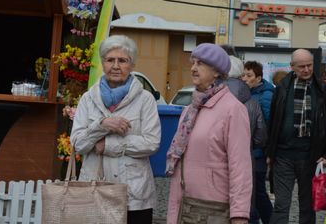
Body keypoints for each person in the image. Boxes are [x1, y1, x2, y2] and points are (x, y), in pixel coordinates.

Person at [70, 35, 161, 224]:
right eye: (110, 60)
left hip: (134, 194)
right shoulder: (88, 98)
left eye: (123, 60)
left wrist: (108, 145)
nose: (116, 66)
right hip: (94, 187)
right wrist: (101, 125)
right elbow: (78, 143)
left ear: (132, 65)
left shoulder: (145, 100)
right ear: (103, 63)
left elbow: (152, 143)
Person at [165, 43, 252, 224]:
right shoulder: (190, 110)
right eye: (193, 62)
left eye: (201, 64)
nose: (193, 68)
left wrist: (239, 214)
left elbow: (240, 167)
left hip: (213, 209)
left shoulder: (233, 109)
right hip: (184, 204)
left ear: (217, 72)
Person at [266, 49, 326, 224]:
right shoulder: (282, 88)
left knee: (307, 207)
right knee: (281, 205)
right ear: (292, 67)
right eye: (301, 66)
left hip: (311, 158)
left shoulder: (324, 90)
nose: (306, 70)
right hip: (283, 157)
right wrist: (270, 152)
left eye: (309, 65)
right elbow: (273, 121)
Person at [243, 60, 275, 224]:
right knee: (252, 192)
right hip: (250, 152)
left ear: (258, 78)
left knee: (258, 192)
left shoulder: (265, 95)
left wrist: (269, 152)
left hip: (259, 152)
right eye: (244, 74)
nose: (245, 78)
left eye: (249, 75)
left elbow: (270, 125)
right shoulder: (248, 93)